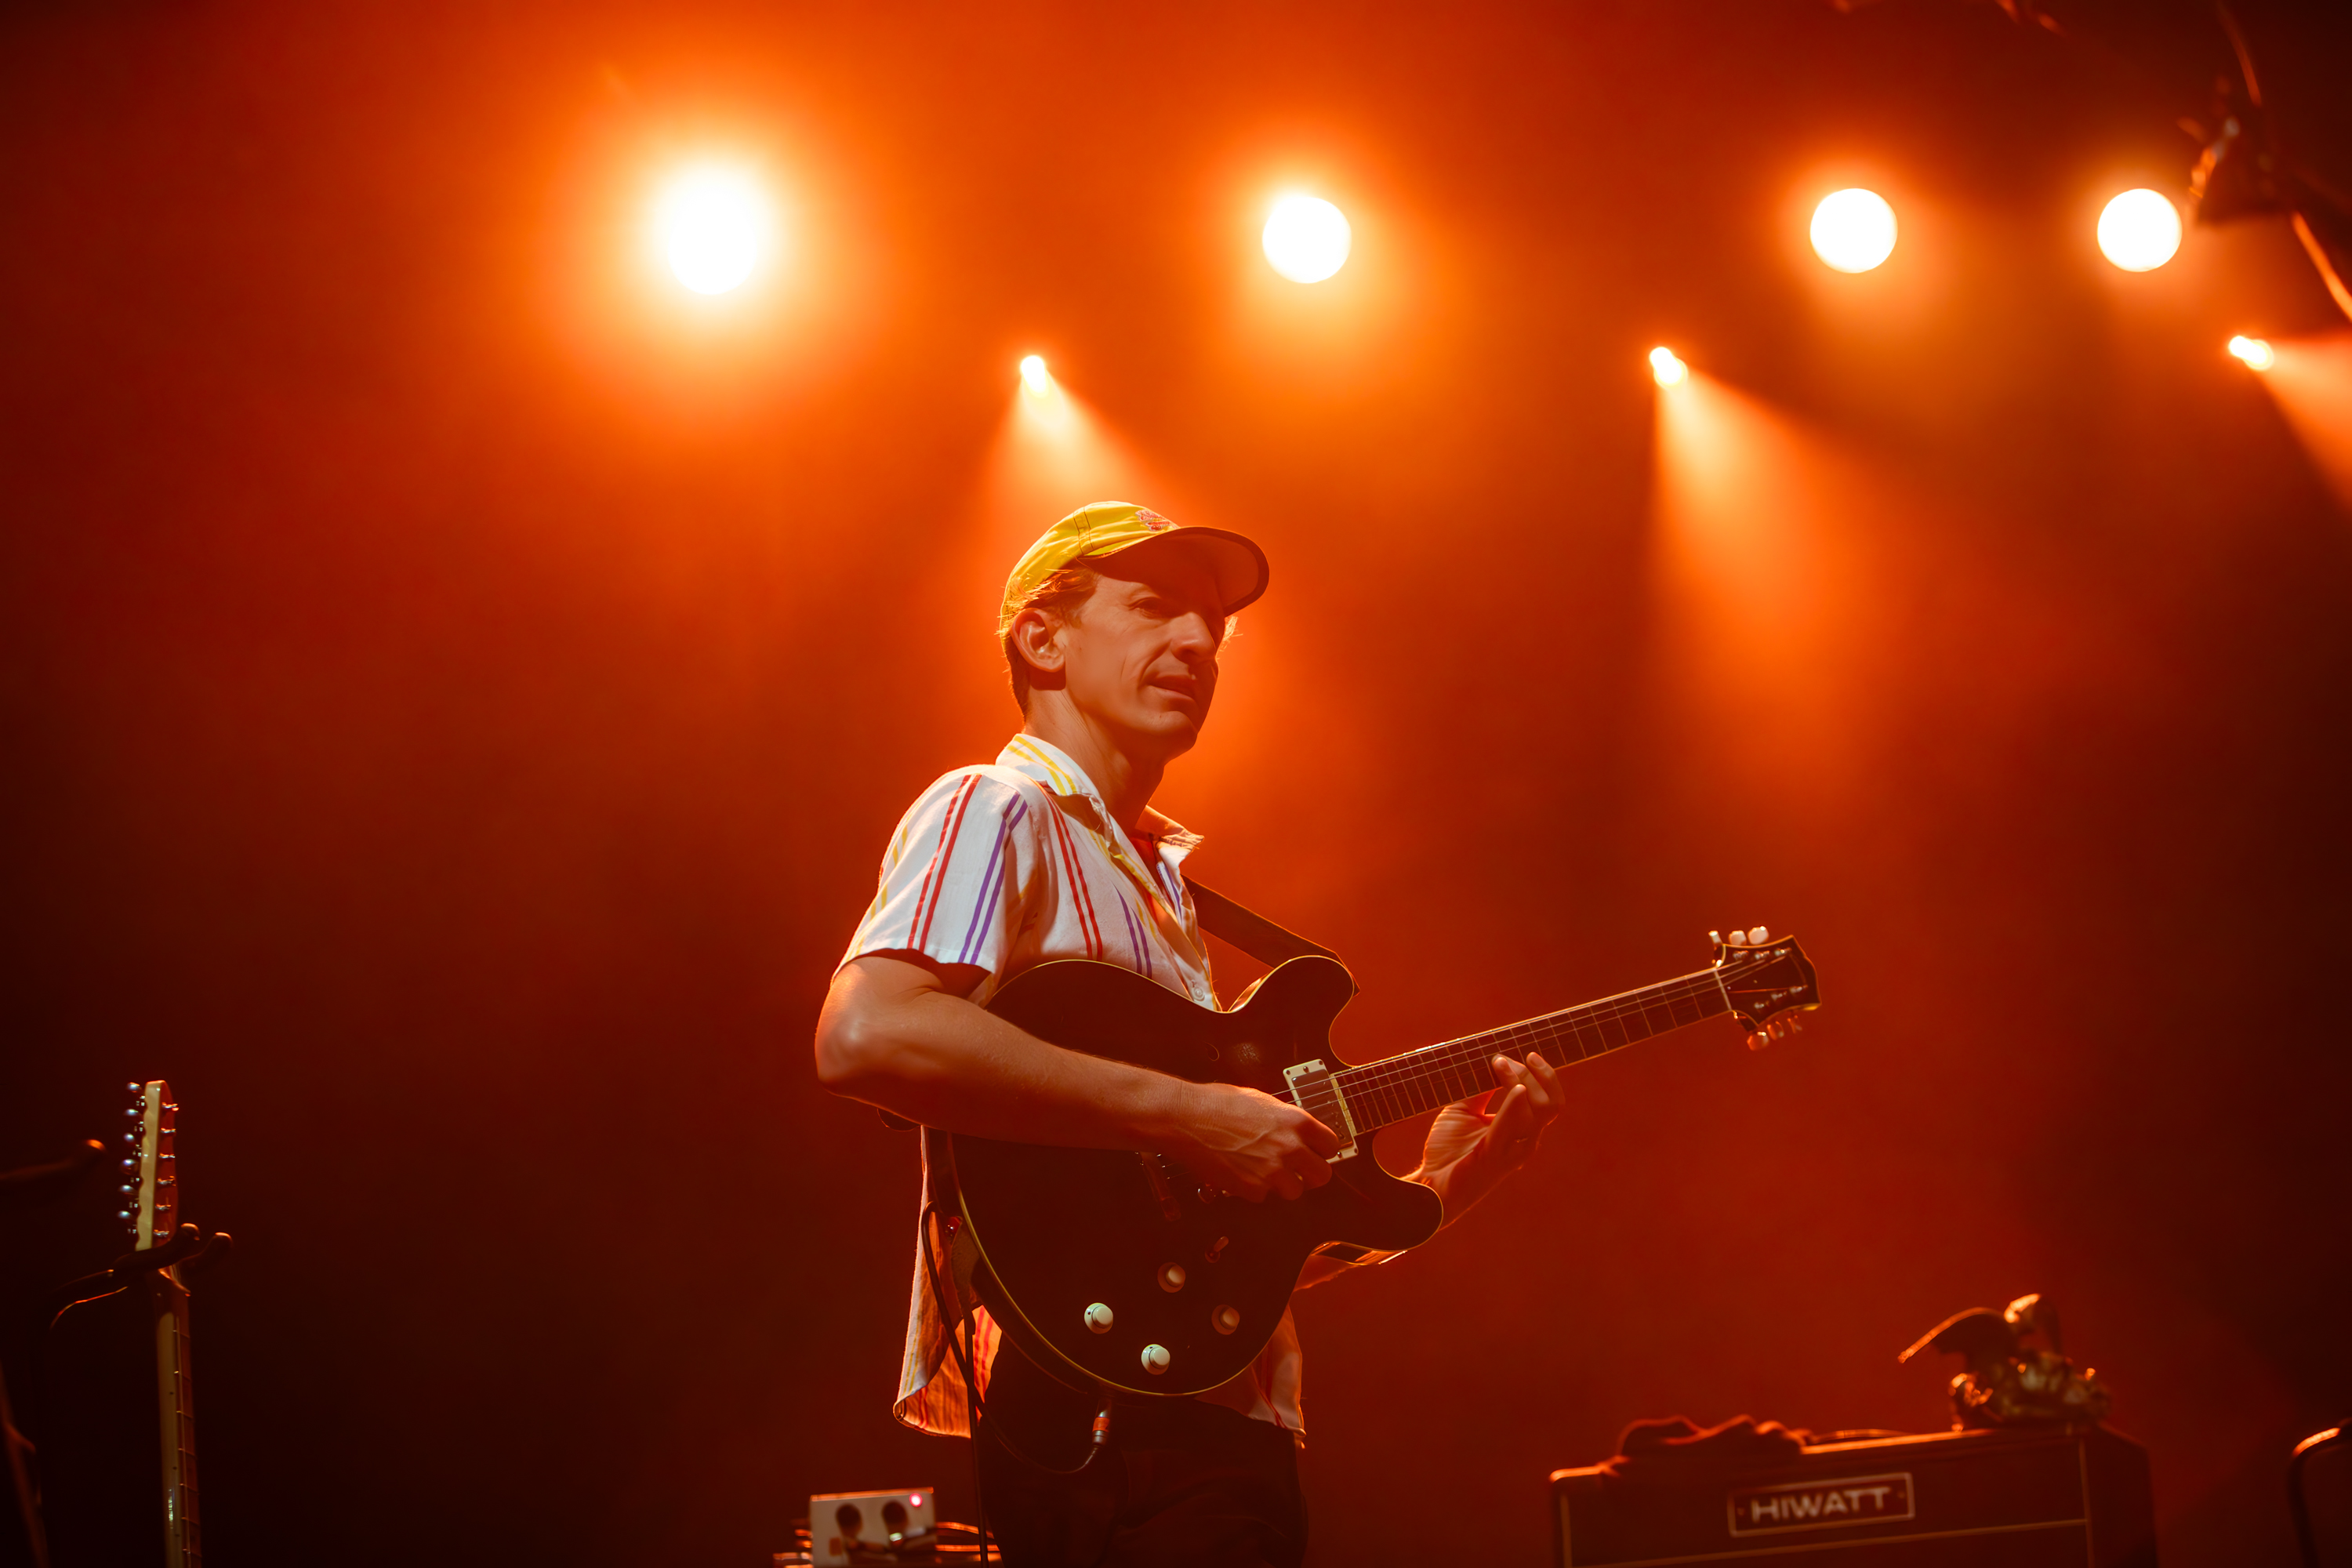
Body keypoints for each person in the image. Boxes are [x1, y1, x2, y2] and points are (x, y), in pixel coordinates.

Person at [814, 501, 1564, 1567]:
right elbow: (865, 1034)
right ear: (1042, 640)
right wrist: (1189, 1113)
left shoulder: (1162, 896)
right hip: (1117, 1443)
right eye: (1156, 608)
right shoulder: (997, 807)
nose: (1200, 644)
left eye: (1214, 627)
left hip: (1204, 1430)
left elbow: (1196, 1246)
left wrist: (1450, 1186)